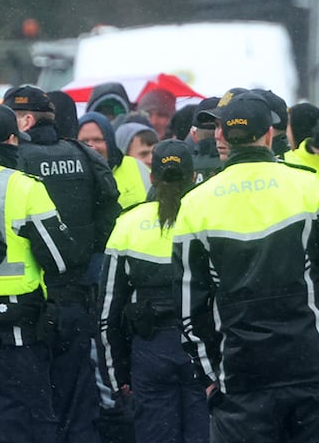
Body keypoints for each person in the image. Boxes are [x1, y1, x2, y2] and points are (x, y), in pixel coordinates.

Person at [172, 92, 319, 442]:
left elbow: (190, 311)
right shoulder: (308, 186)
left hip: (243, 376)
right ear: (269, 135)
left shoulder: (194, 203)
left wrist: (211, 379)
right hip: (317, 371)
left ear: (222, 137)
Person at [3, 85, 117, 442]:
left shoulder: (13, 161)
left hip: (30, 304)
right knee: (77, 403)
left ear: (25, 119)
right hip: (76, 298)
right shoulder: (85, 155)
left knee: (30, 408)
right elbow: (108, 220)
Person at [0, 104, 69, 443]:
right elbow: (59, 257)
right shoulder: (25, 187)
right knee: (29, 416)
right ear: (11, 140)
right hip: (18, 322)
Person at [97, 140, 208, 443]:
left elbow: (107, 312)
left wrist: (117, 375)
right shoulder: (209, 215)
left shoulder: (128, 223)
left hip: (150, 351)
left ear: (152, 177)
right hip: (202, 350)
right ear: (194, 176)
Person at [79, 112, 152, 209]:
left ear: (110, 141)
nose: (92, 147)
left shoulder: (137, 167)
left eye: (98, 140)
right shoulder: (69, 177)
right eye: (84, 141)